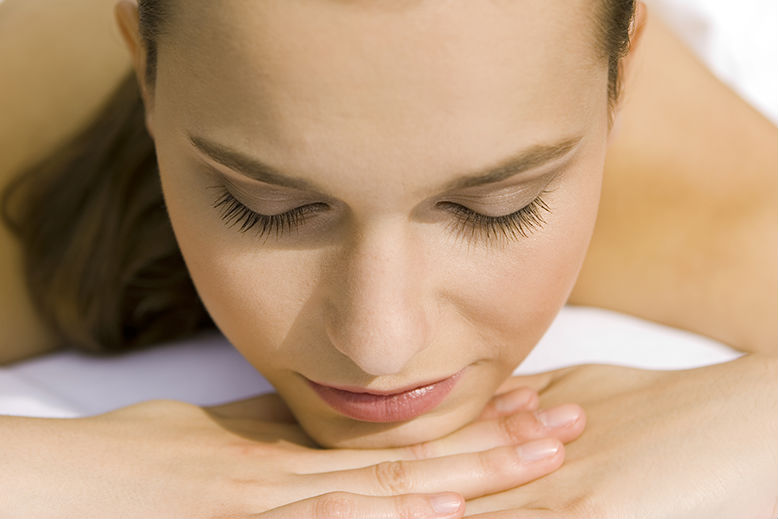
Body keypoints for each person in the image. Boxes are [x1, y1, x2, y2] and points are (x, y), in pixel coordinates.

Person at [0, 0, 775, 517]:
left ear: (621, 73)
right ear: (145, 65)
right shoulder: (29, 149)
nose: (380, 344)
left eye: (494, 207)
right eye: (268, 205)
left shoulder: (696, 192)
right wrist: (56, 476)